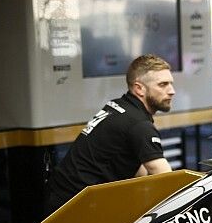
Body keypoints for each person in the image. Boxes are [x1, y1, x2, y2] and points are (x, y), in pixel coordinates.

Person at [45, 54, 174, 213]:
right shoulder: (138, 124)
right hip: (76, 207)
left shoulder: (119, 106)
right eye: (163, 85)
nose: (171, 91)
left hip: (62, 196)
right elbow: (166, 178)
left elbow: (135, 165)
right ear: (139, 88)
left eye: (171, 84)